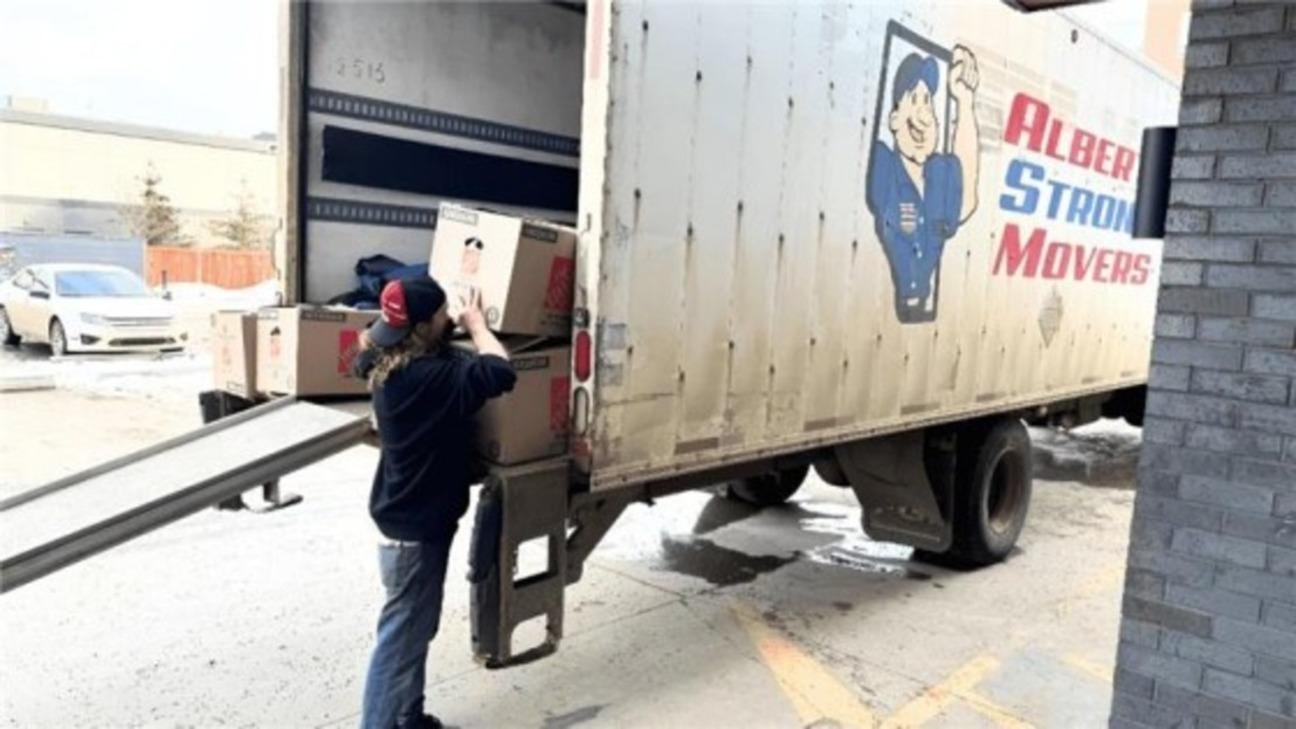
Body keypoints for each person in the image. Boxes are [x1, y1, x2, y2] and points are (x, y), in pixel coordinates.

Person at [356, 275, 515, 729]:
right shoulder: (426, 379)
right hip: (415, 534)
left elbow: (370, 347)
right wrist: (476, 325)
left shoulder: (385, 361)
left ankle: (409, 718)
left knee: (415, 631)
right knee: (399, 639)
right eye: (442, 314)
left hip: (409, 520)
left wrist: (442, 328)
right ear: (423, 326)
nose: (449, 319)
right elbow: (500, 372)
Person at [866, 44, 981, 321]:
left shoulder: (939, 177)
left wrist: (964, 102)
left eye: (928, 101)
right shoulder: (884, 166)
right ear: (894, 119)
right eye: (914, 100)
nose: (924, 114)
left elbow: (966, 195)